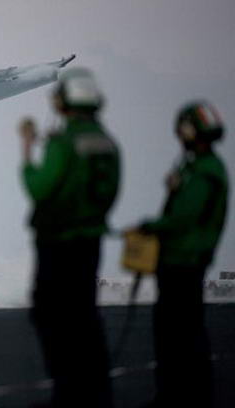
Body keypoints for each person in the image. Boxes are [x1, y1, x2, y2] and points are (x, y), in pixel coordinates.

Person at [19, 68, 120, 407]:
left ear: (63, 102)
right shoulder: (107, 143)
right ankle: (98, 395)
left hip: (58, 243)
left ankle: (67, 394)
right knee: (86, 317)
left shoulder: (63, 143)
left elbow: (38, 187)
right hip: (91, 241)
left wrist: (27, 150)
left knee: (51, 317)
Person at [134, 101, 228, 408]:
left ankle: (181, 397)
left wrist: (151, 226)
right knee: (180, 334)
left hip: (184, 262)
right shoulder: (198, 166)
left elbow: (184, 217)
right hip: (181, 261)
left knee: (178, 335)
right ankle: (180, 396)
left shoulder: (204, 170)